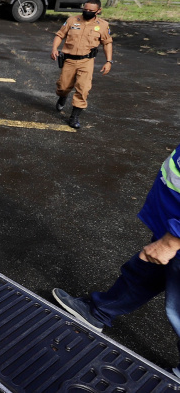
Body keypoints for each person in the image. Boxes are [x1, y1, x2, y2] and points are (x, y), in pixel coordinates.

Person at [53, 143, 180, 377]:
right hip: (169, 229)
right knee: (141, 275)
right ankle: (100, 312)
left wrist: (172, 241)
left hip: (175, 237)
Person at [50, 0, 113, 129]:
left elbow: (107, 43)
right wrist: (54, 49)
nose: (87, 12)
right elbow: (60, 35)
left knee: (83, 89)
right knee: (63, 87)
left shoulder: (103, 25)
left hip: (87, 61)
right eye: (85, 9)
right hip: (69, 60)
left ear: (98, 11)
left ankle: (74, 117)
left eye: (91, 10)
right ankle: (63, 96)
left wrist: (108, 61)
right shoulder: (72, 20)